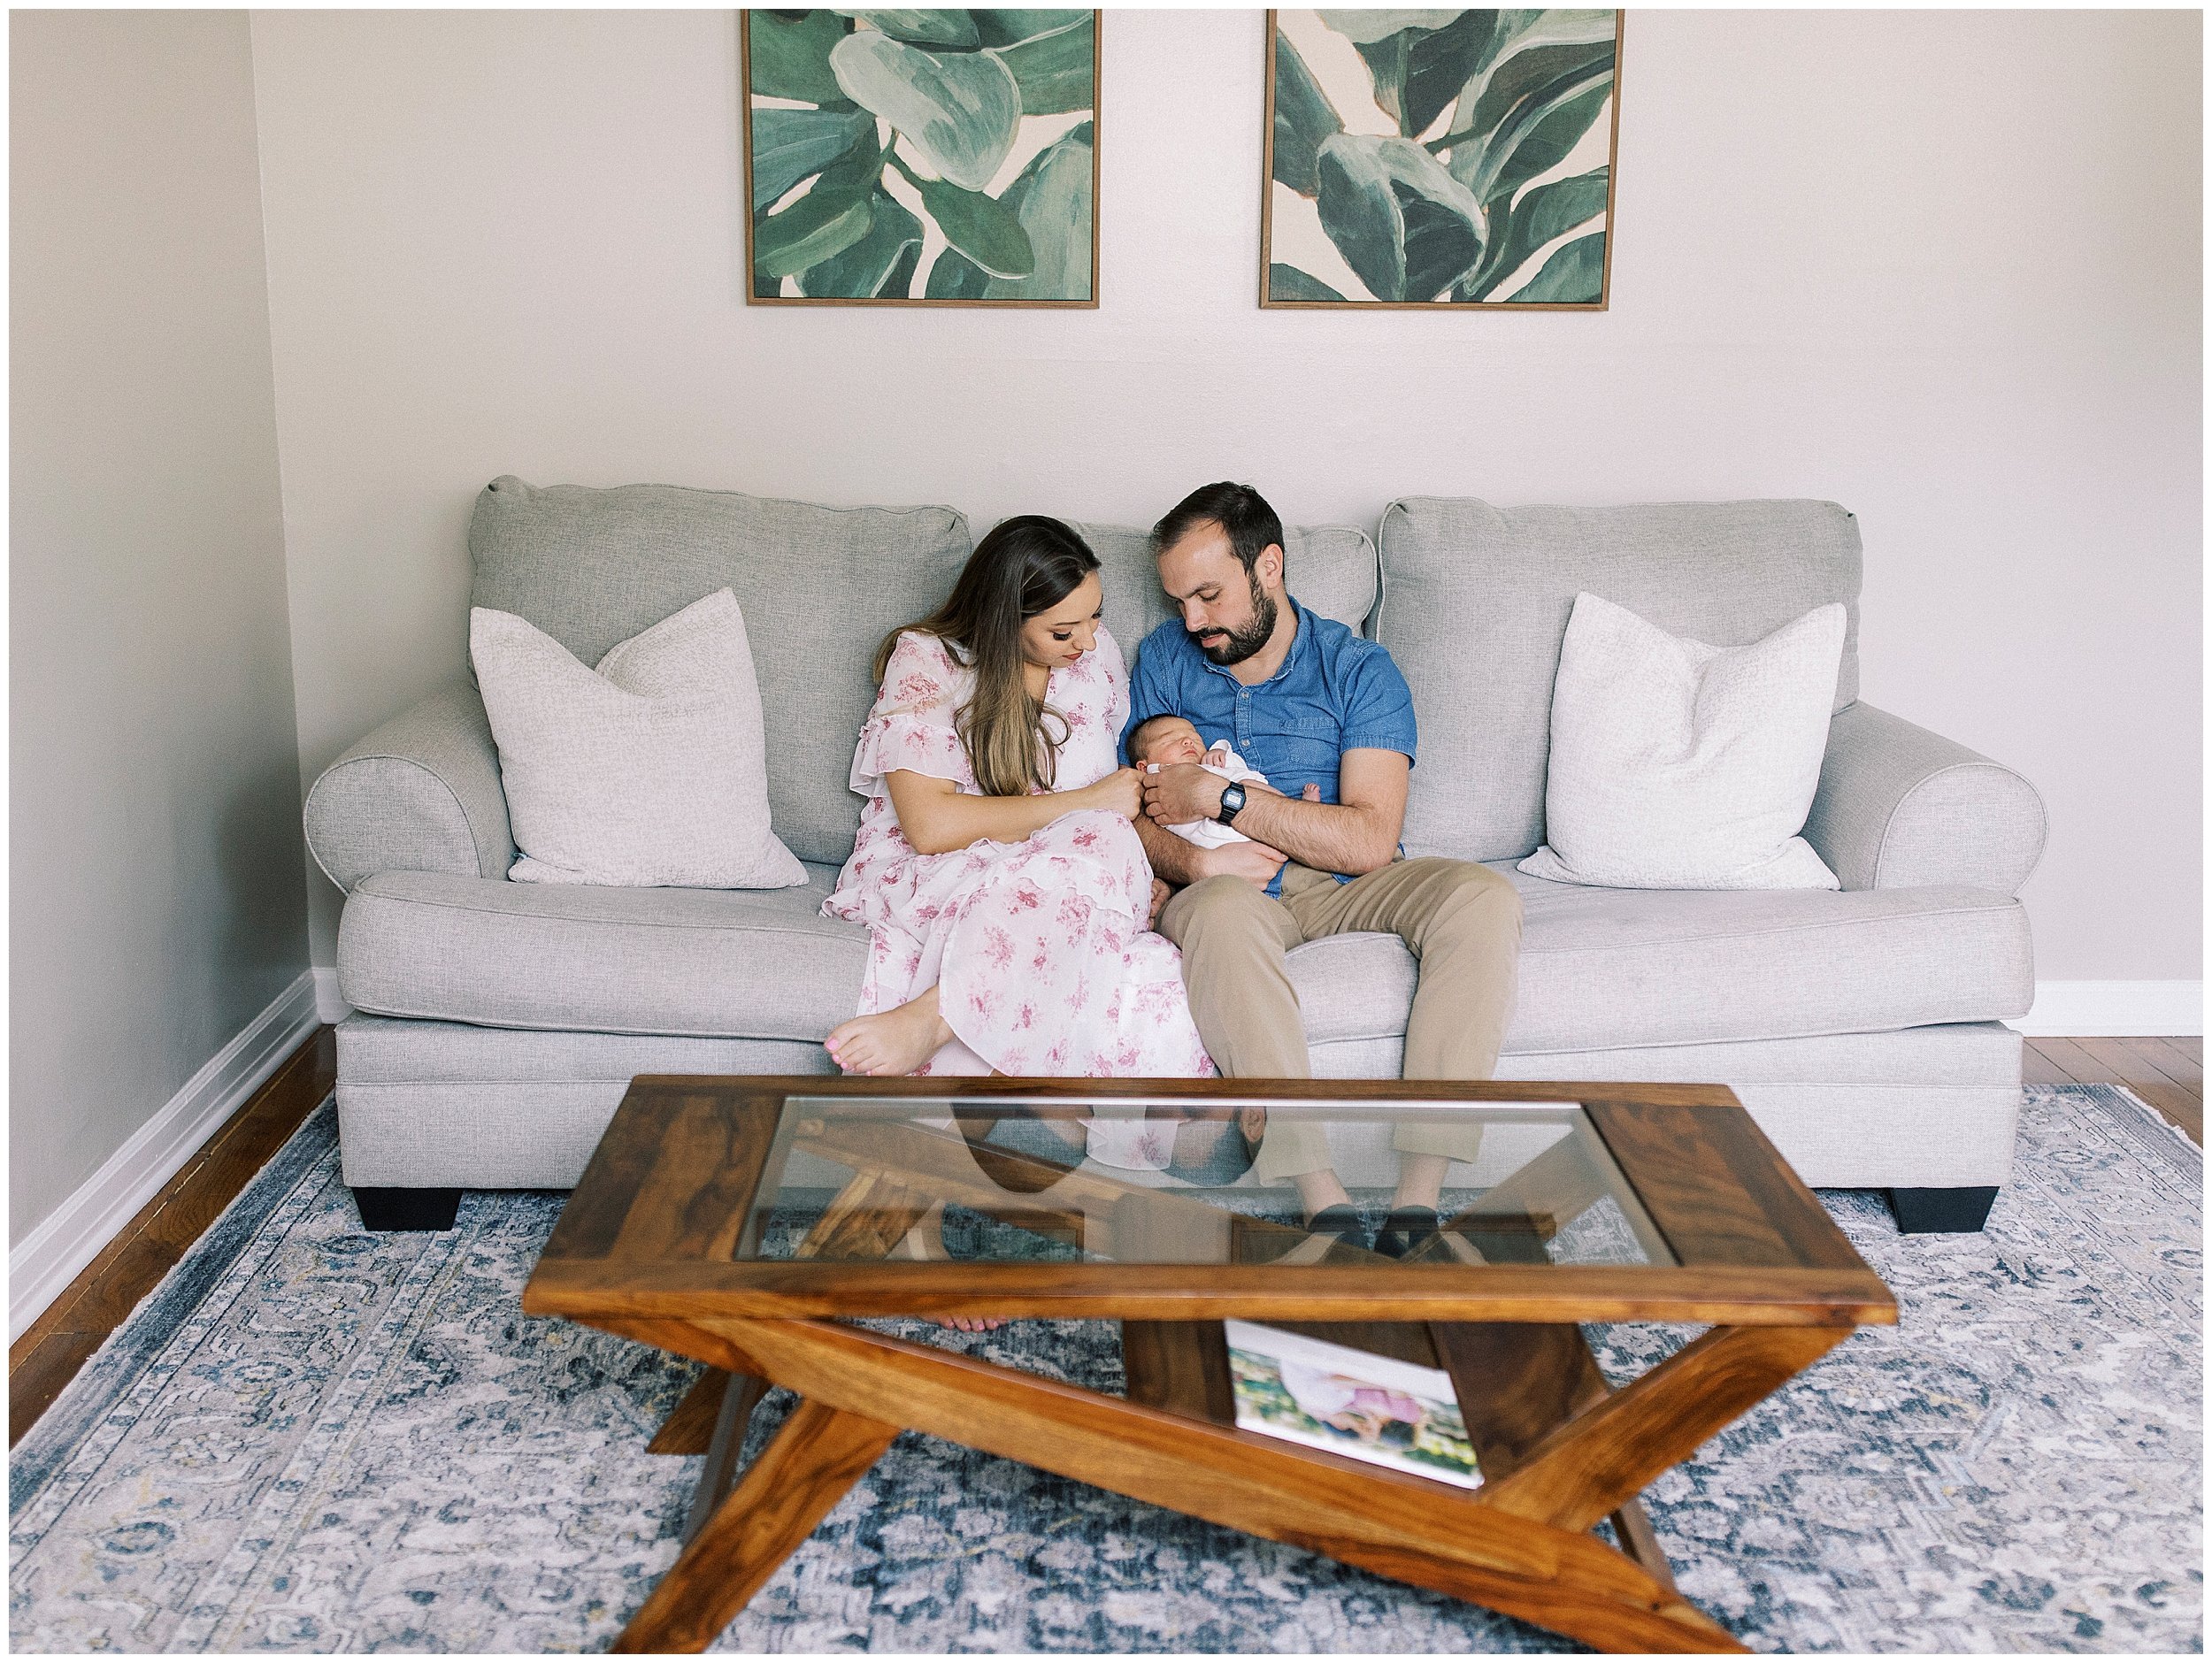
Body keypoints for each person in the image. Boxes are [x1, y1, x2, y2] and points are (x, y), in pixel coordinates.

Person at [1124, 482, 1525, 1257]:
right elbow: (1132, 818)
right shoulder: (1163, 662)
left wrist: (1221, 795)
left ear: (1268, 567)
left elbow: (1370, 841)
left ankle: (1417, 1202)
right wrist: (1203, 859)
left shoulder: (1359, 670)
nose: (1193, 621)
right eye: (1179, 602)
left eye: (1209, 596)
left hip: (1347, 887)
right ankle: (1322, 1200)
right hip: (1224, 886)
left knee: (1481, 897)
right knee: (1216, 913)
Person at [820, 514, 1213, 1088]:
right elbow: (928, 826)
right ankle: (939, 1017)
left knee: (1119, 880)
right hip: (941, 862)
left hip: (1075, 867)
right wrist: (1088, 804)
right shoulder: (928, 660)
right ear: (1006, 620)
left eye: (1095, 617)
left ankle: (980, 1136)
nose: (1087, 641)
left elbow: (1113, 808)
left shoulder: (1095, 656)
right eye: (1063, 631)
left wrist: (1142, 871)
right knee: (1098, 836)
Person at [1127, 713, 1315, 849]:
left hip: (1249, 823)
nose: (1188, 742)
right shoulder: (1156, 775)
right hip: (1210, 840)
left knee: (1248, 787)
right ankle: (1298, 815)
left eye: (1195, 739)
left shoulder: (1209, 764)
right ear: (1143, 767)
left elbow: (1238, 768)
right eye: (1170, 740)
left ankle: (1299, 810)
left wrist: (1219, 752)